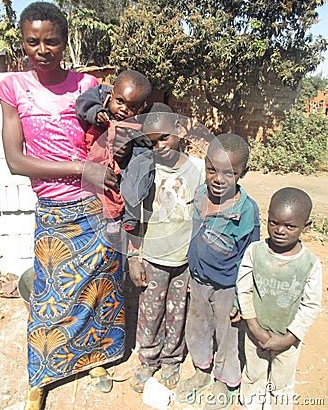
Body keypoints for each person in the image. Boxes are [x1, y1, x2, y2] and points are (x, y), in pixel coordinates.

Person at [0, 2, 126, 410]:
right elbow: (16, 160)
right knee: (51, 299)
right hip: (53, 209)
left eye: (52, 41)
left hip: (94, 205)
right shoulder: (13, 89)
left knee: (101, 290)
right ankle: (43, 374)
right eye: (33, 41)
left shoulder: (88, 86)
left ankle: (96, 359)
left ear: (65, 43)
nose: (42, 49)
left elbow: (109, 135)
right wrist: (79, 167)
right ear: (23, 44)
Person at [176, 134, 260, 409]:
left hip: (227, 287)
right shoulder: (200, 195)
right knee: (198, 326)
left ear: (242, 173)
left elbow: (250, 256)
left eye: (229, 173)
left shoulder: (246, 211)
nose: (218, 178)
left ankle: (224, 380)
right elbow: (192, 234)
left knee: (226, 334)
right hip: (199, 279)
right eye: (212, 169)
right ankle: (202, 370)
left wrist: (240, 296)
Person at [128, 103, 205, 392]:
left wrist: (197, 264)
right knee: (150, 311)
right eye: (151, 141)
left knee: (177, 311)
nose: (159, 146)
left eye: (165, 138)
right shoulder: (145, 170)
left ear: (180, 131)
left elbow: (204, 218)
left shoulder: (198, 171)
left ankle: (172, 359)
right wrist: (134, 257)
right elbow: (133, 217)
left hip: (184, 261)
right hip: (153, 257)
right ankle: (148, 359)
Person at [236, 187, 322, 410]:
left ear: (306, 227)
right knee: (254, 373)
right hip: (255, 333)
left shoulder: (310, 264)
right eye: (273, 222)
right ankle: (251, 404)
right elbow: (243, 289)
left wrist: (289, 338)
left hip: (288, 339)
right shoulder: (255, 252)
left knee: (282, 382)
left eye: (290, 226)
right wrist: (253, 326)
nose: (280, 230)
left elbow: (311, 305)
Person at [75, 70, 153, 238]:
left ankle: (128, 217)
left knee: (138, 175)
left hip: (123, 162)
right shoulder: (100, 95)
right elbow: (83, 103)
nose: (123, 109)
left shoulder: (138, 120)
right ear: (111, 95)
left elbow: (143, 143)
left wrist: (130, 144)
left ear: (140, 109)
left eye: (131, 107)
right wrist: (96, 113)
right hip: (95, 159)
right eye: (120, 101)